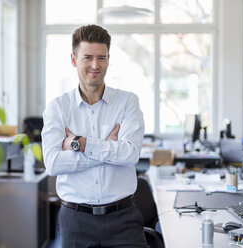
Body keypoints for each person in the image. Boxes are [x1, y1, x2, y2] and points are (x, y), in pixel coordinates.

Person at [42, 24, 146, 248]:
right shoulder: (58, 108)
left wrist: (81, 143)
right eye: (87, 57)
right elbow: (52, 164)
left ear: (109, 58)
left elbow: (130, 154)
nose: (95, 65)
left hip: (123, 219)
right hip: (75, 221)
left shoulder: (128, 102)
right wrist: (107, 149)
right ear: (73, 59)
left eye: (102, 57)